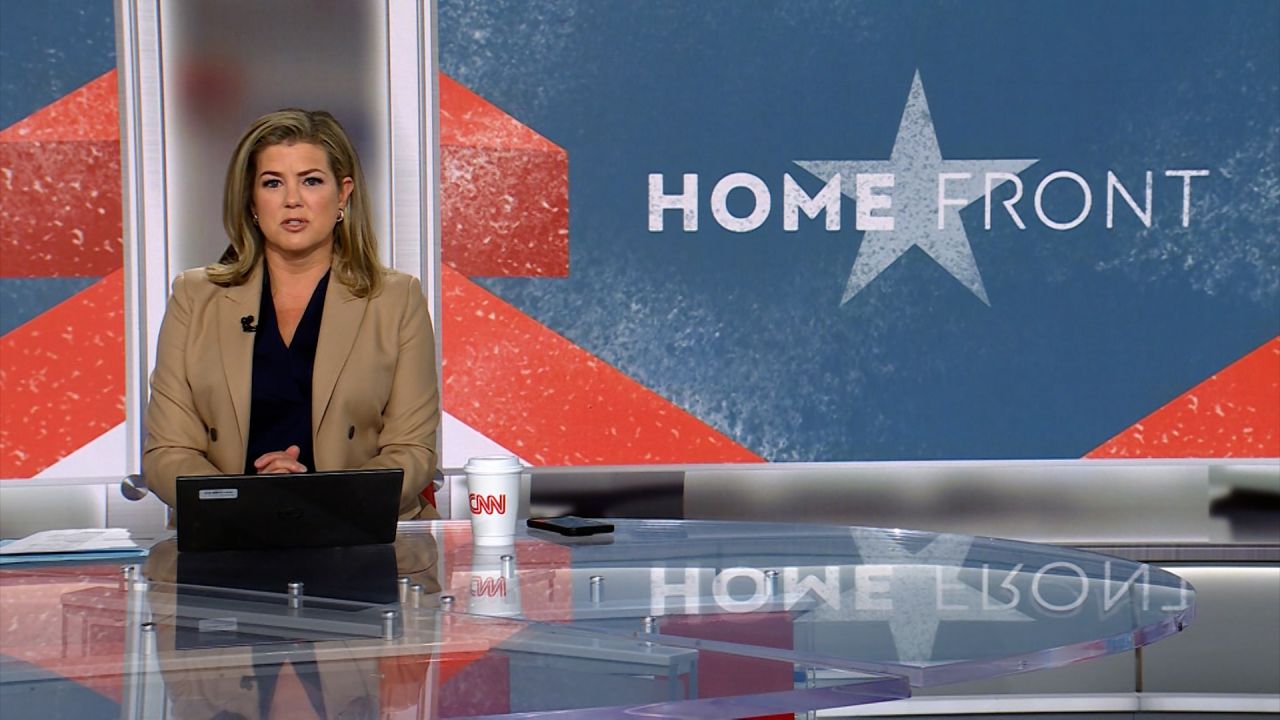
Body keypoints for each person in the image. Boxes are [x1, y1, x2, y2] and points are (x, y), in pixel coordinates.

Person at [142, 108, 440, 520]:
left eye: (311, 181)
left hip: (360, 530)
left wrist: (316, 499)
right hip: (231, 531)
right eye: (273, 183)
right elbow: (167, 452)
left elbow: (412, 449)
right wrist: (248, 501)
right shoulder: (194, 297)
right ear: (251, 200)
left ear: (343, 194)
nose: (292, 200)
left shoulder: (395, 300)